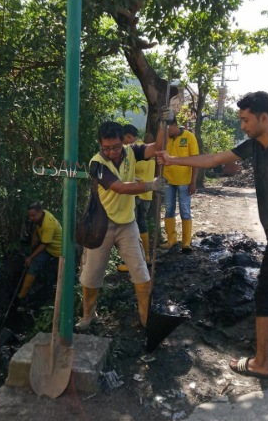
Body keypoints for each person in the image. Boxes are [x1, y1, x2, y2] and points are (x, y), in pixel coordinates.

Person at [156, 91, 268, 378]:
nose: (242, 124)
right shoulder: (256, 144)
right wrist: (173, 160)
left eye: (245, 120)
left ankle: (262, 363)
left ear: (264, 118)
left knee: (265, 294)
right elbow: (215, 158)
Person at [77, 115, 171, 330]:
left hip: (128, 224)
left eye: (116, 147)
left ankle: (146, 319)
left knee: (141, 273)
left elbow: (158, 146)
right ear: (100, 144)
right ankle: (88, 315)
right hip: (101, 225)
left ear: (123, 142)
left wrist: (164, 124)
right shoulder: (96, 163)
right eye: (106, 147)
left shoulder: (132, 151)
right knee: (91, 277)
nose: (111, 152)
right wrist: (150, 185)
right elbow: (118, 187)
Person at [116, 125, 156, 272]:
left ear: (128, 136)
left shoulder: (133, 150)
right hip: (147, 193)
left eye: (123, 138)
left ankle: (132, 261)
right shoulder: (149, 149)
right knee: (142, 224)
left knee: (131, 227)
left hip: (135, 191)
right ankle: (146, 257)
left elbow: (127, 171)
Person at [161, 116, 199, 252]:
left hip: (184, 181)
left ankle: (186, 242)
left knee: (185, 210)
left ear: (174, 125)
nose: (166, 131)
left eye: (167, 128)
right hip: (168, 180)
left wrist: (193, 182)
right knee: (169, 209)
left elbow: (195, 161)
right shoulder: (165, 139)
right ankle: (171, 240)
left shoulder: (189, 137)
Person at [18, 202, 62, 299]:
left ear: (40, 212)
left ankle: (50, 294)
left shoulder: (48, 224)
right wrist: (34, 235)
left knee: (56, 275)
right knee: (34, 266)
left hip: (58, 251)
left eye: (33, 215)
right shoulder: (43, 214)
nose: (31, 218)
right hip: (48, 247)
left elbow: (44, 245)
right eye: (30, 216)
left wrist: (30, 257)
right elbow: (38, 226)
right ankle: (21, 295)